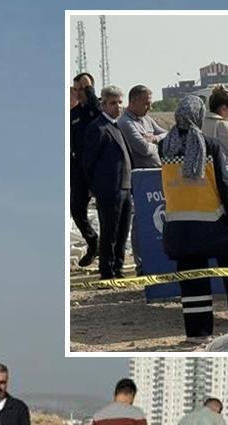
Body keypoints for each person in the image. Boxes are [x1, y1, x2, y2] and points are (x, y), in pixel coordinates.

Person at [158, 95, 228, 339]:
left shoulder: (164, 146)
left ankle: (197, 332)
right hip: (214, 223)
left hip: (179, 227)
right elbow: (224, 186)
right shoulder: (210, 145)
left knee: (193, 283)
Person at [81, 86, 134, 279]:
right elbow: (88, 163)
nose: (117, 107)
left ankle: (117, 268)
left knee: (122, 232)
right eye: (113, 103)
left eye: (120, 102)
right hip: (109, 190)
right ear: (103, 105)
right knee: (110, 233)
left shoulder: (116, 126)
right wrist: (97, 188)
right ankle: (108, 270)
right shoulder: (98, 128)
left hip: (125, 187)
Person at [69, 72, 100, 267]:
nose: (80, 93)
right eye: (77, 90)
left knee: (106, 211)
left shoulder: (96, 111)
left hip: (98, 167)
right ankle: (93, 242)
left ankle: (109, 254)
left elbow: (97, 110)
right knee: (77, 209)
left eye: (83, 89)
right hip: (79, 169)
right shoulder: (73, 115)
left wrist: (89, 89)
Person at [119, 85, 167, 172]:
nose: (150, 108)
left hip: (157, 171)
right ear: (133, 102)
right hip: (142, 176)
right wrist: (157, 145)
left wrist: (154, 138)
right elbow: (144, 149)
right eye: (146, 104)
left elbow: (168, 134)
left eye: (150, 104)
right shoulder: (126, 123)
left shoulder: (146, 118)